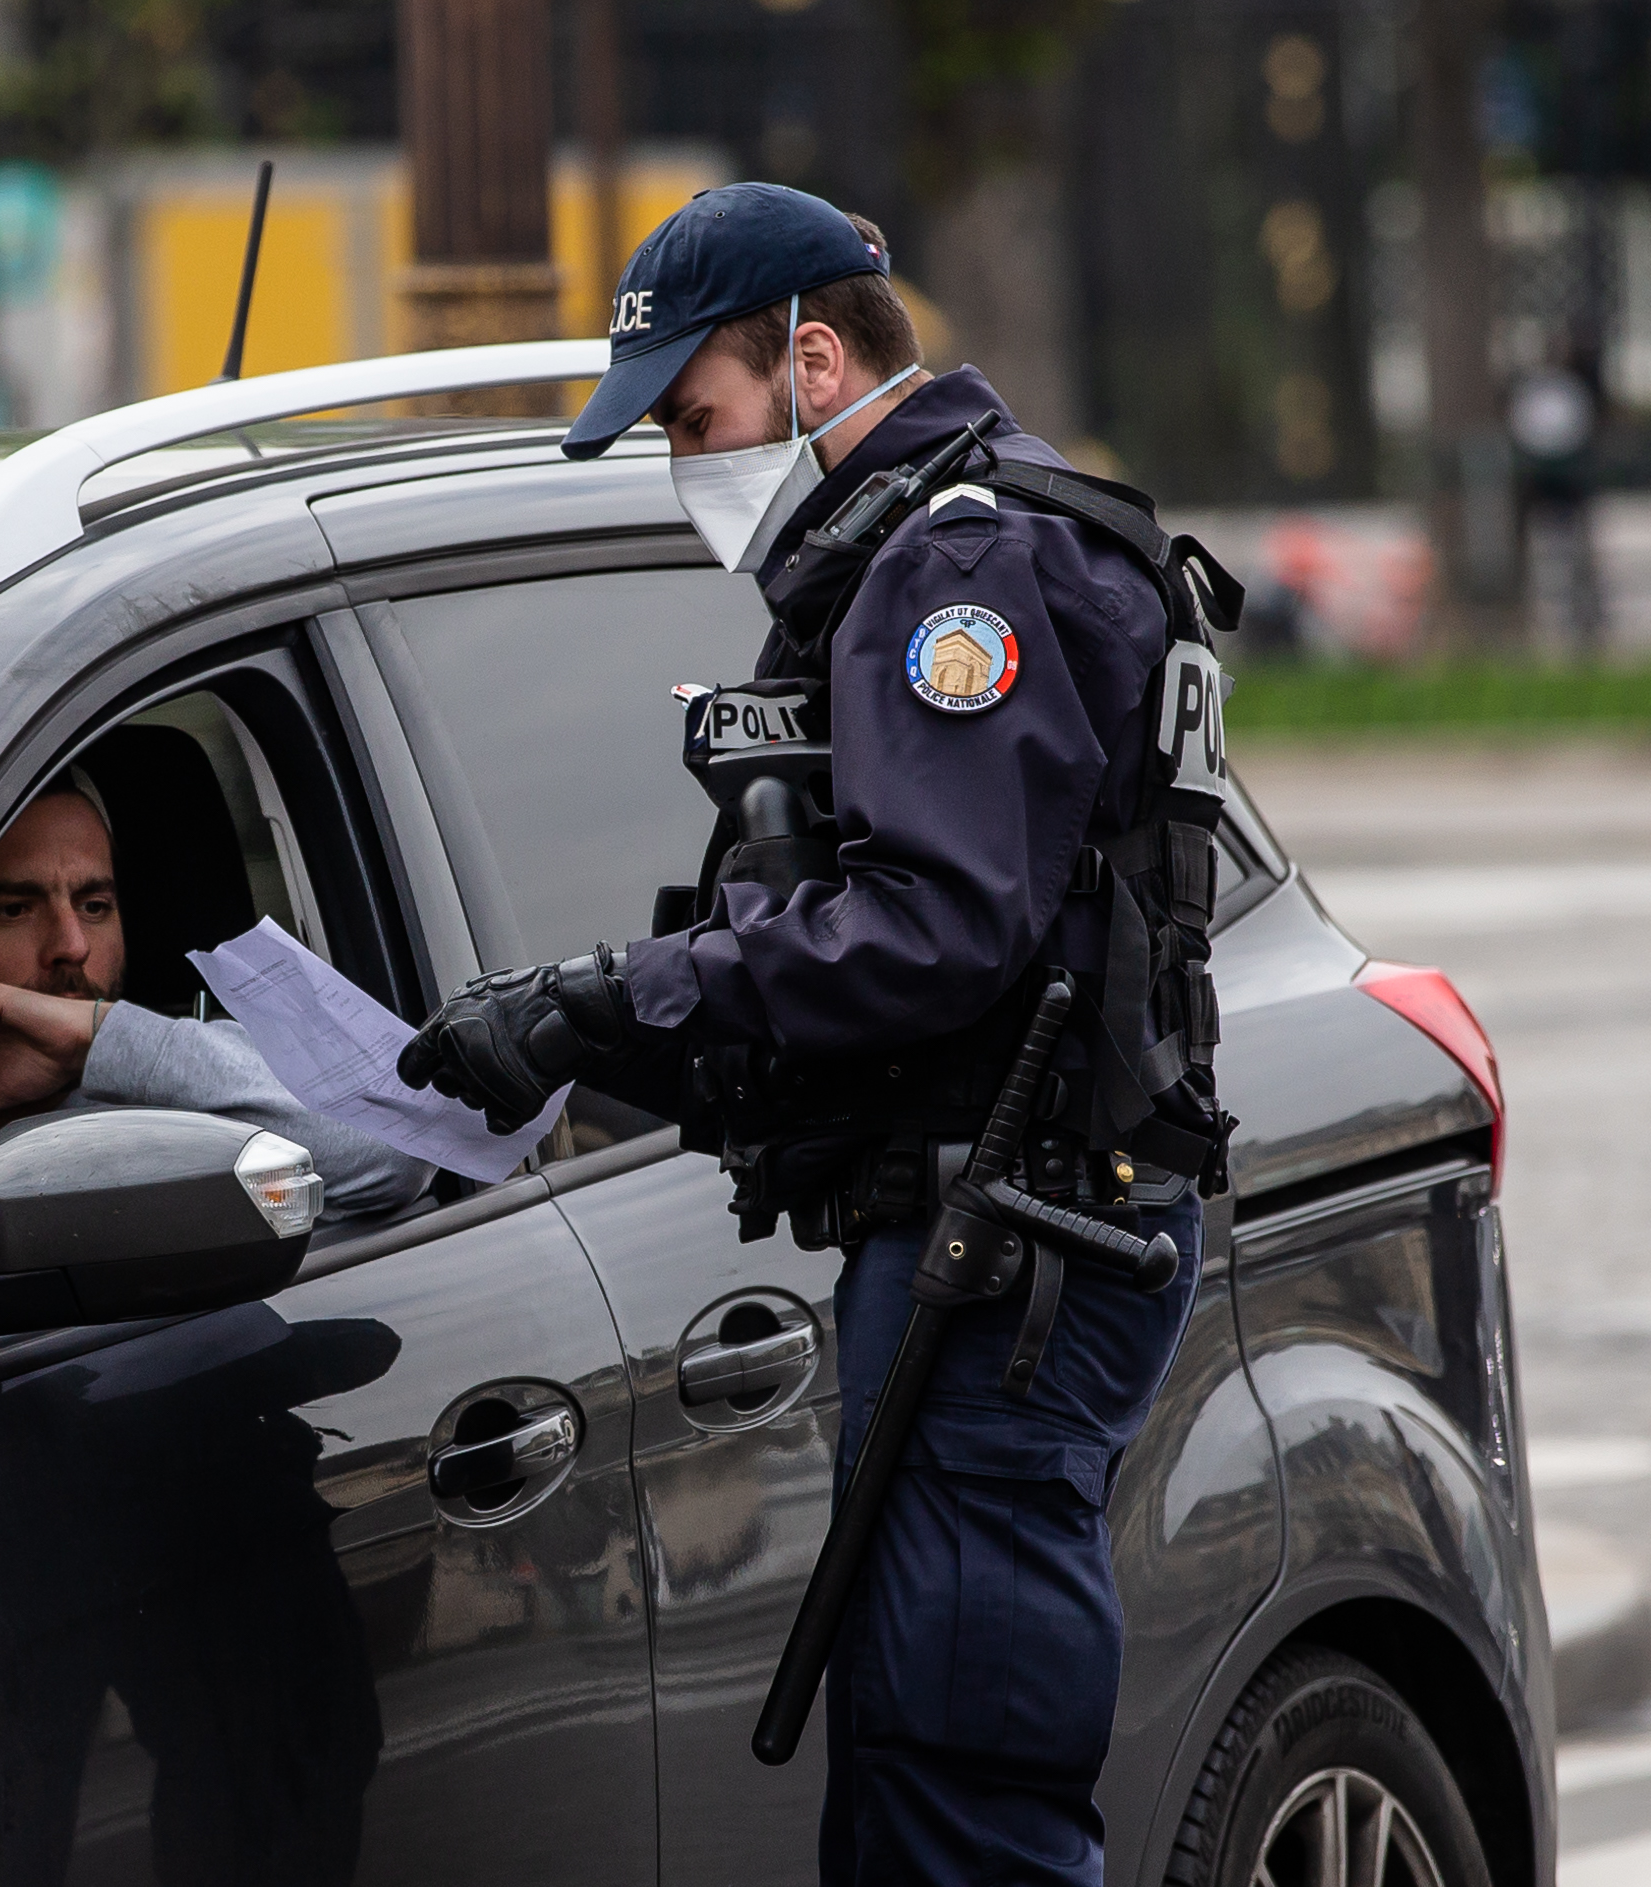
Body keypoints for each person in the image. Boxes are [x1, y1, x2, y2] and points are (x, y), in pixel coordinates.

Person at [397, 183, 1235, 1886]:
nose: (686, 463)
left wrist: (601, 997)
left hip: (1012, 1252)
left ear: (816, 356)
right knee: (922, 1791)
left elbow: (932, 930)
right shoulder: (961, 535)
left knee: (959, 1807)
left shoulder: (961, 558)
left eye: (696, 419)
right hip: (1010, 1234)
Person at [0, 772, 433, 1223]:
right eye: (13, 910)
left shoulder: (190, 1114)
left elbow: (407, 1142)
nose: (72, 945)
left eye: (94, 905)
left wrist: (98, 1036)